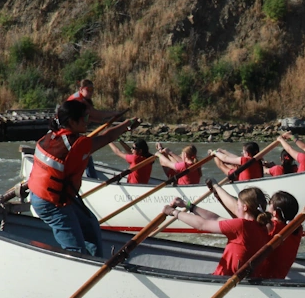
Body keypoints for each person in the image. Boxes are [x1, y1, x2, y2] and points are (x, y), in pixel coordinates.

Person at [28, 99, 140, 255]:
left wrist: (122, 124)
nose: (88, 122)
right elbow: (106, 138)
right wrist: (126, 125)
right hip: (52, 204)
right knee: (75, 249)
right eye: (85, 119)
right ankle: (81, 265)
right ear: (72, 122)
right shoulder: (77, 144)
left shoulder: (52, 134)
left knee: (90, 225)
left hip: (53, 196)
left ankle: (96, 259)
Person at [162, 188, 271, 276]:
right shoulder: (262, 227)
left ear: (245, 207)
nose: (236, 209)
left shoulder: (241, 225)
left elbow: (202, 224)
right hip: (241, 278)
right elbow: (215, 218)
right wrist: (187, 205)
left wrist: (173, 212)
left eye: (237, 205)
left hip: (224, 279)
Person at [208, 180, 302, 279]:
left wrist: (217, 186)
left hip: (260, 279)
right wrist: (219, 197)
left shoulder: (271, 227)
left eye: (270, 205)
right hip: (277, 278)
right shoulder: (297, 230)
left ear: (275, 213)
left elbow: (237, 210)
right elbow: (244, 221)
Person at [65, 79, 121, 179]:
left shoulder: (84, 101)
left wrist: (104, 121)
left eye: (92, 89)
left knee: (87, 154)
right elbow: (96, 114)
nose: (91, 92)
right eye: (88, 89)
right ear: (81, 89)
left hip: (74, 131)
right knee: (86, 153)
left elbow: (92, 117)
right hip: (67, 132)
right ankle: (90, 178)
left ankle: (90, 177)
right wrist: (113, 113)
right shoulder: (79, 101)